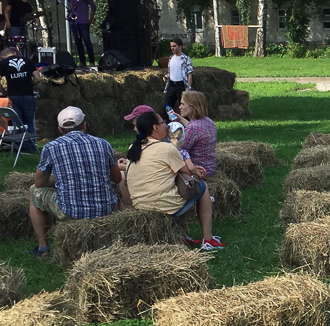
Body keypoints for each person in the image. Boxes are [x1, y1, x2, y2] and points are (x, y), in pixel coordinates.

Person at [28, 106, 123, 257]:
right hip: (106, 208)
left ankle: (43, 248)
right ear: (84, 124)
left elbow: (39, 183)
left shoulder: (51, 147)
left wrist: (61, 180)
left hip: (70, 211)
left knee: (34, 191)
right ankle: (120, 238)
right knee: (115, 188)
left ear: (60, 129)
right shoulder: (103, 144)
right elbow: (117, 179)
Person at [125, 111, 223, 250]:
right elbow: (188, 172)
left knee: (183, 188)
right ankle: (207, 239)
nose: (165, 125)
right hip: (164, 206)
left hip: (140, 205)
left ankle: (181, 235)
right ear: (155, 127)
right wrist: (198, 171)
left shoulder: (133, 148)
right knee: (199, 186)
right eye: (162, 122)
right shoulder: (167, 148)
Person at [0, 45, 40, 151]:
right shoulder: (27, 60)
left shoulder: (2, 63)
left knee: (18, 124)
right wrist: (29, 85)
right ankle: (32, 148)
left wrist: (4, 92)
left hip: (13, 96)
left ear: (3, 56)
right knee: (29, 123)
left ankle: (21, 149)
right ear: (14, 53)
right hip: (28, 95)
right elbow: (37, 78)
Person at [178, 91, 217, 178]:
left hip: (198, 171)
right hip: (210, 168)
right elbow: (194, 129)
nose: (179, 107)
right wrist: (180, 119)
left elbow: (179, 151)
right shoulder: (208, 121)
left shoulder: (193, 128)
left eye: (182, 104)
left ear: (192, 107)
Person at [67, 0, 96, 66]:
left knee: (87, 41)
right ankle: (82, 61)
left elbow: (93, 6)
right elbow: (70, 8)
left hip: (83, 22)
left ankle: (91, 61)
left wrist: (90, 20)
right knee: (78, 42)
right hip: (74, 23)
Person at [164, 37, 193, 111]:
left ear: (180, 46)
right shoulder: (171, 58)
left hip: (181, 86)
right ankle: (166, 121)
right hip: (171, 85)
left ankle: (185, 122)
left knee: (184, 106)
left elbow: (189, 74)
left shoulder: (186, 59)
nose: (172, 48)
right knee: (166, 105)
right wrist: (166, 76)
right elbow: (171, 71)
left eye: (174, 46)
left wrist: (188, 88)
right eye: (171, 46)